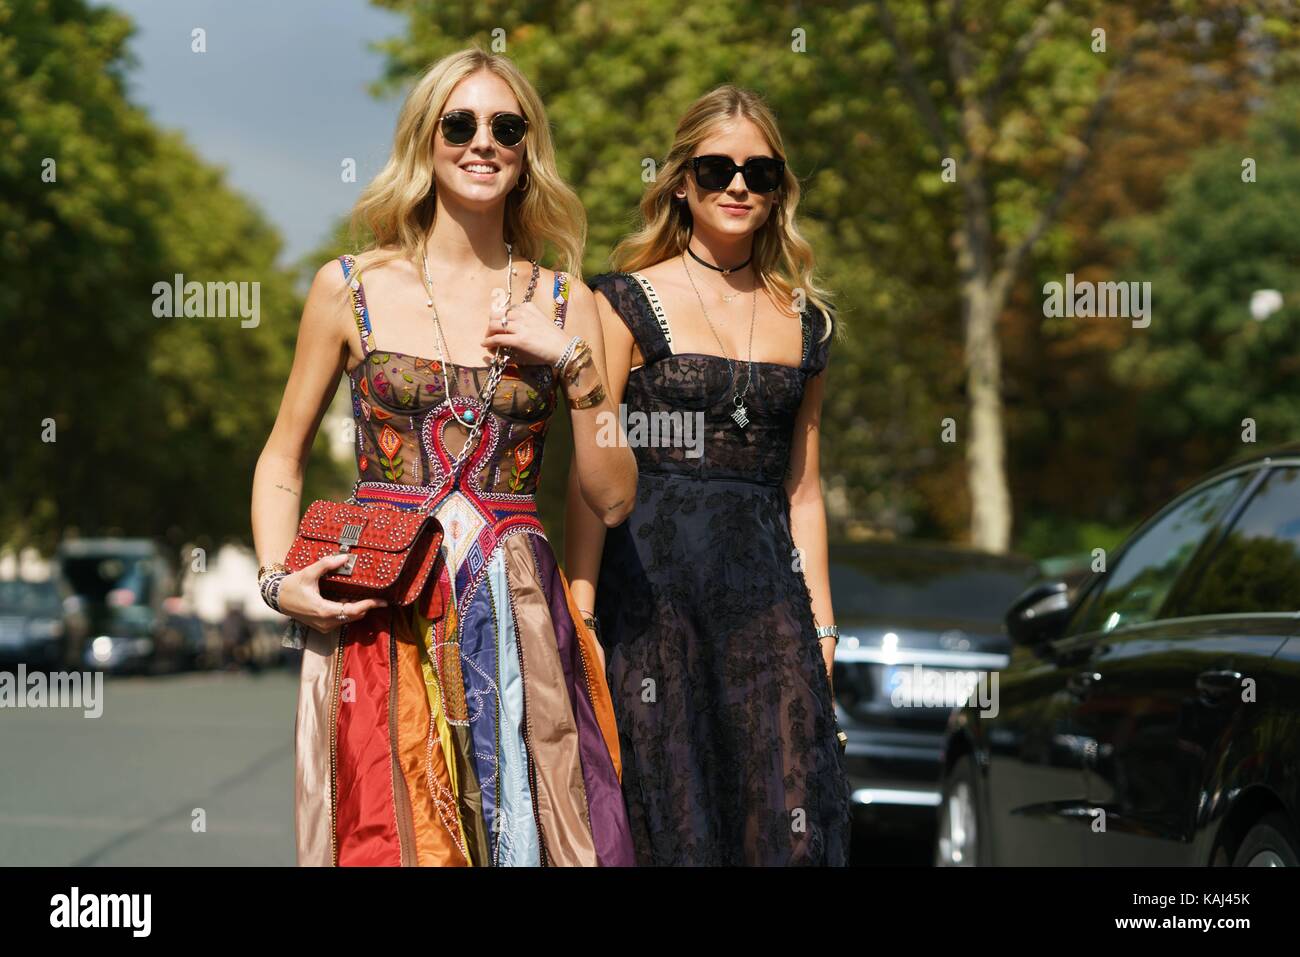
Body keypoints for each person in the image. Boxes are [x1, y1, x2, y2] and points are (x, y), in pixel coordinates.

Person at [251, 48, 636, 866]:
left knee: (528, 831)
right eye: (459, 124)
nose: (482, 142)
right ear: (425, 140)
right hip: (379, 609)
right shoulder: (348, 286)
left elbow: (611, 495)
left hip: (520, 608)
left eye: (506, 126)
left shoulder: (570, 302)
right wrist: (277, 579)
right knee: (389, 835)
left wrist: (573, 365)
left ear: (528, 147)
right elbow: (281, 458)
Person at [566, 84, 852, 865]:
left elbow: (803, 487)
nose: (738, 186)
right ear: (682, 180)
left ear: (778, 189)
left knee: (784, 814)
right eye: (718, 167)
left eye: (760, 173)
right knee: (672, 820)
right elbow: (594, 474)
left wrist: (823, 626)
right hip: (653, 605)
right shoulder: (620, 300)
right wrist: (582, 610)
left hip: (769, 608)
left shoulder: (807, 321)